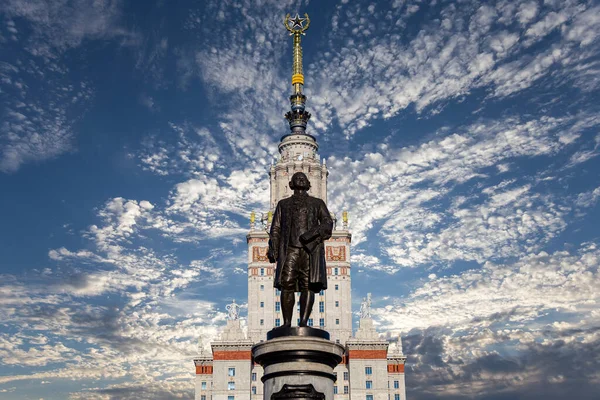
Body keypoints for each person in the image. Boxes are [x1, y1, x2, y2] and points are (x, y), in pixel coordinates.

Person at [268, 172, 333, 328]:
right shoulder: (283, 204)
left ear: (309, 183)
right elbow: (275, 227)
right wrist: (273, 247)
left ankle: (304, 322)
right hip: (290, 249)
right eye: (297, 177)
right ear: (291, 183)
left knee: (308, 285)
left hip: (310, 250)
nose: (301, 179)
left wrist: (312, 234)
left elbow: (328, 223)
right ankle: (286, 323)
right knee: (286, 283)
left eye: (304, 178)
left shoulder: (317, 203)